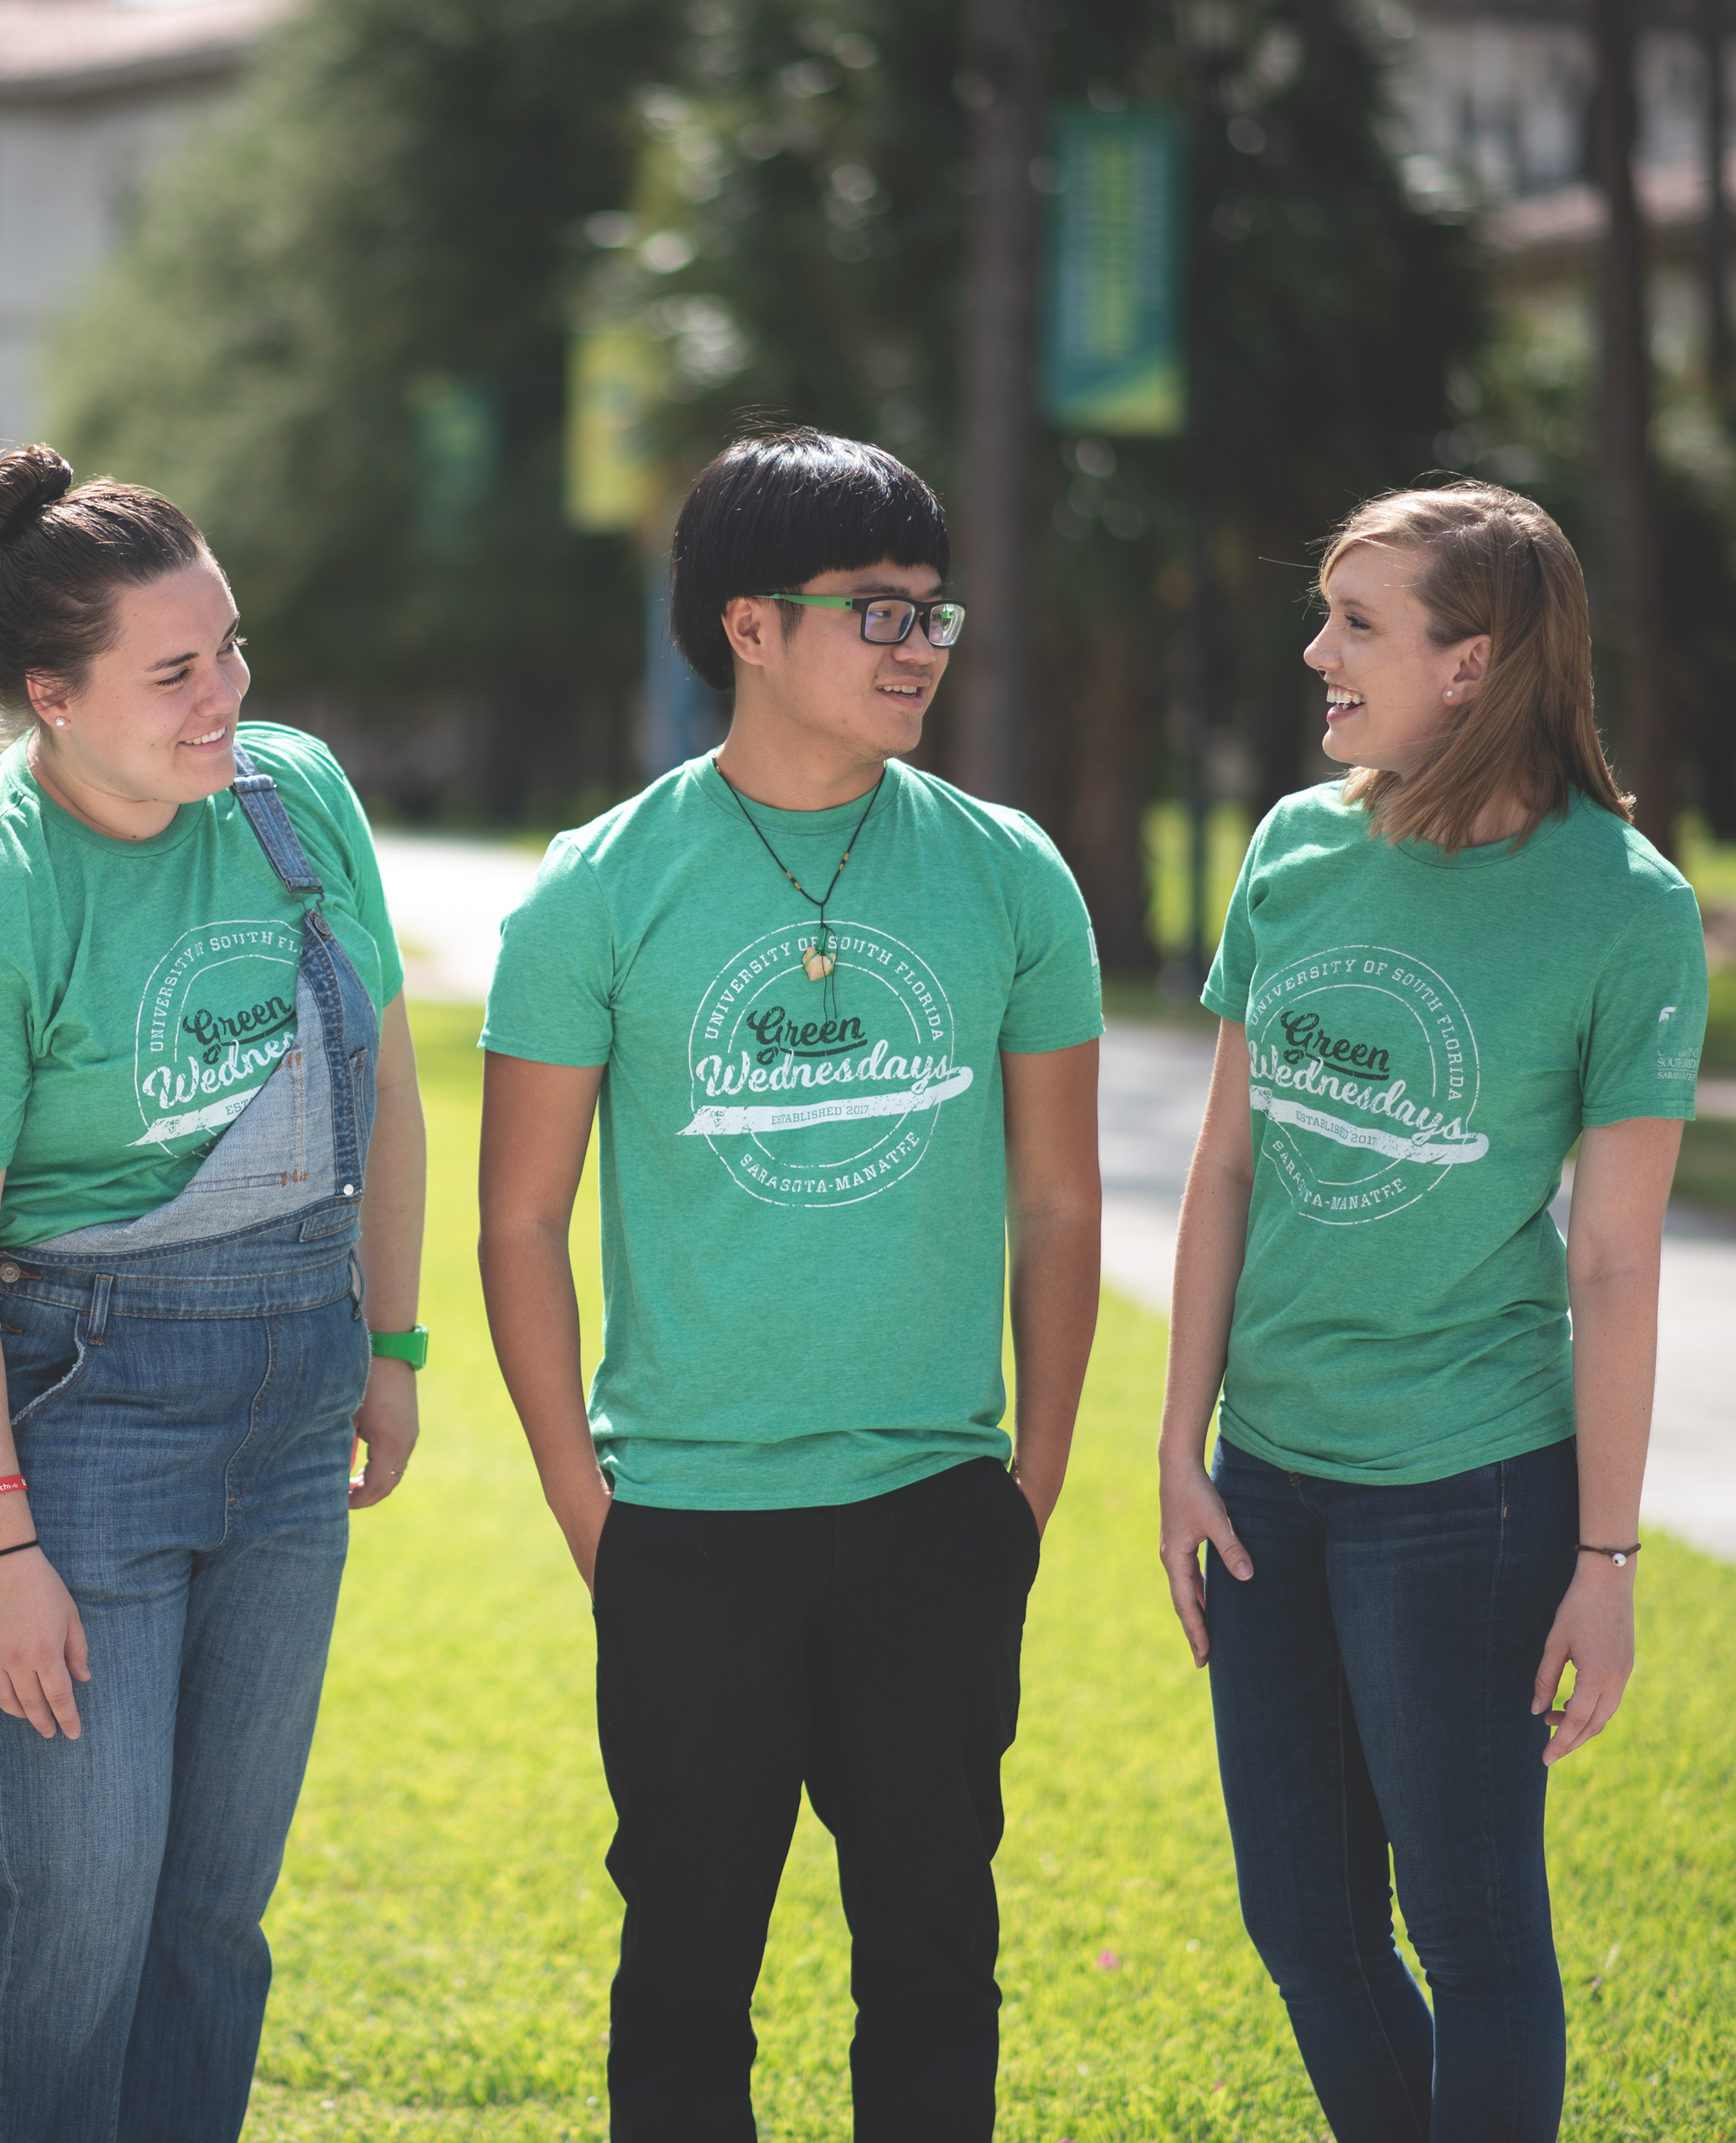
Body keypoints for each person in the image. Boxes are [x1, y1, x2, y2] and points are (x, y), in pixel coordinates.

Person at [477, 425, 1105, 2140]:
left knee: (931, 1960)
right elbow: (520, 1222)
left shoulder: (1009, 872)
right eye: (876, 609)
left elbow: (1058, 1202)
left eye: (934, 609)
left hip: (934, 1510)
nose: (920, 644)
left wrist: (1027, 1490)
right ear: (748, 627)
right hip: (684, 1520)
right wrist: (586, 1503)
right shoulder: (596, 890)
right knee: (685, 1973)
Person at [0, 444, 426, 2141]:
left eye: (233, 648)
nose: (226, 699)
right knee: (81, 1908)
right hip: (76, 1425)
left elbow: (382, 1071)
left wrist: (387, 1346)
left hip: (295, 1400)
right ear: (52, 695)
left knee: (211, 1916)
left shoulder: (292, 793)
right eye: (175, 674)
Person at [1153, 481, 1703, 2142]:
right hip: (1271, 1483)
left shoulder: (1623, 904)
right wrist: (1183, 1445)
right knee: (1305, 1925)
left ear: (1475, 664)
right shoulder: (1299, 848)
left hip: (1468, 1492)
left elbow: (1613, 1259)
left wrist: (1605, 1562)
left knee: (1471, 1933)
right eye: (1328, 613)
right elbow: (1229, 1168)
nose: (1317, 651)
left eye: (1360, 623)